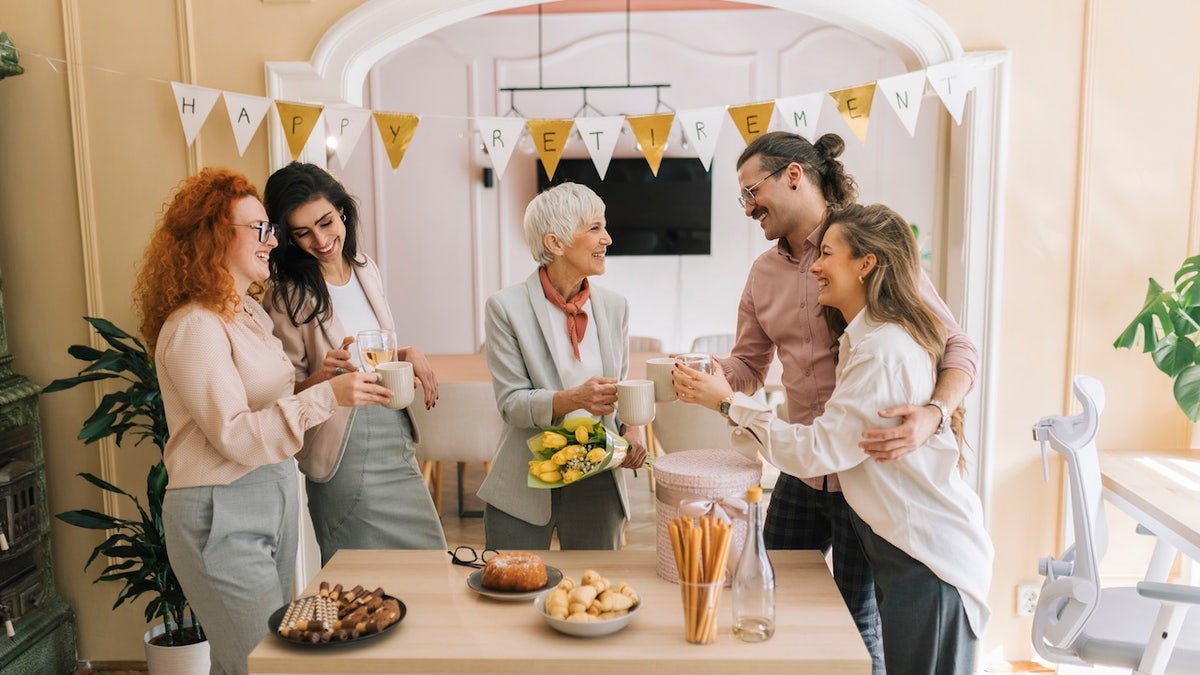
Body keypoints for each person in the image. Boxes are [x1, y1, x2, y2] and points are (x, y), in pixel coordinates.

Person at [677, 203, 993, 675]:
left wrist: (729, 404)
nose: (816, 267)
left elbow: (813, 451)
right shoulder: (865, 340)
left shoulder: (882, 352)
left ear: (866, 264)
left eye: (827, 255)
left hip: (928, 561)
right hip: (908, 552)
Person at [136, 168, 393, 675]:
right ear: (214, 235)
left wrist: (321, 380)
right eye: (259, 228)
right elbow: (235, 435)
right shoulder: (193, 327)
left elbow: (270, 404)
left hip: (273, 496)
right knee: (259, 664)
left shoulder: (246, 315)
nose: (272, 240)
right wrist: (329, 398)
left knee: (268, 658)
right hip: (221, 510)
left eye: (269, 229)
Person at [262, 162, 446, 565]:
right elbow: (282, 397)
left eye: (327, 222)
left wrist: (404, 355)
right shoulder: (285, 296)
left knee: (431, 564)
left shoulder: (365, 268)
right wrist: (323, 377)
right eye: (303, 232)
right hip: (341, 449)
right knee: (360, 581)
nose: (321, 240)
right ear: (287, 237)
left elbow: (369, 357)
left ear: (342, 211)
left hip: (393, 433)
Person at [477, 182, 648, 550]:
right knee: (509, 597)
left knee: (593, 598)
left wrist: (632, 430)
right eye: (594, 228)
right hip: (526, 478)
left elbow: (620, 386)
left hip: (597, 476)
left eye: (604, 226)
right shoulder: (505, 308)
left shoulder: (615, 306)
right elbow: (512, 405)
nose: (608, 238)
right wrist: (575, 399)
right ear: (555, 243)